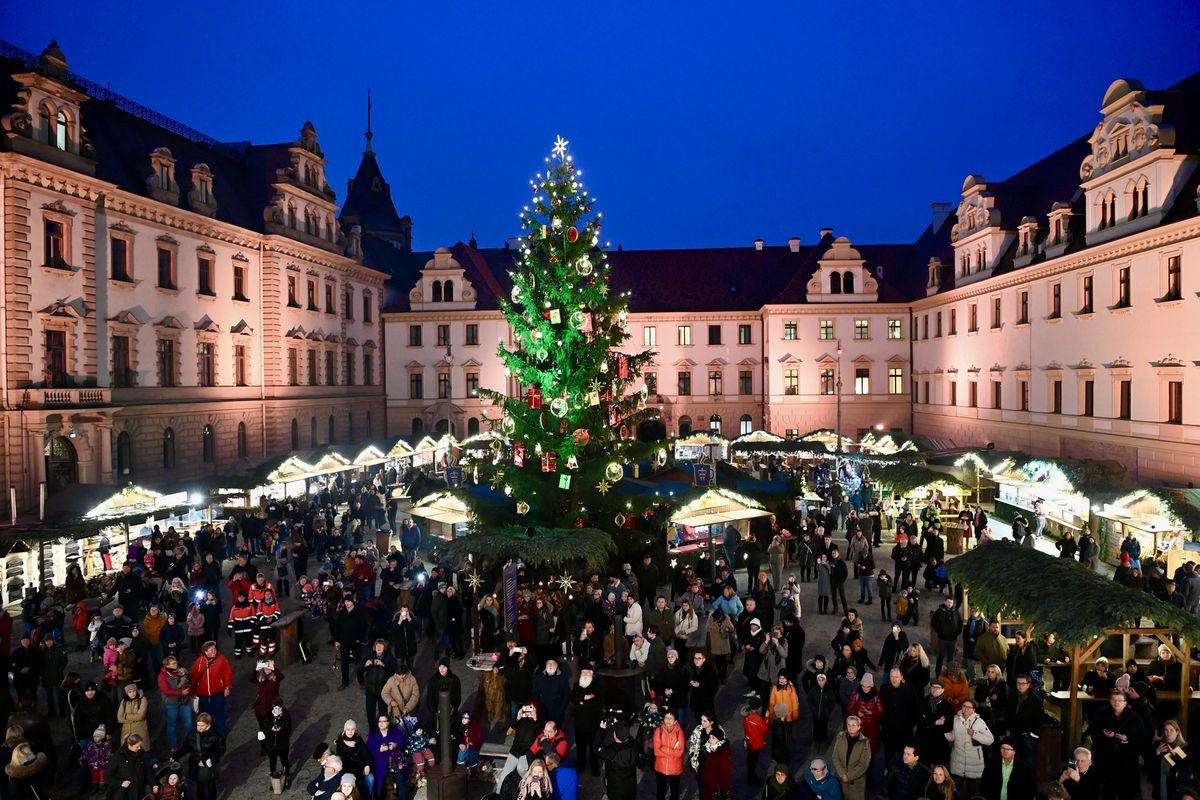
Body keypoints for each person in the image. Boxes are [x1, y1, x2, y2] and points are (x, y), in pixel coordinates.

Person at [1090, 689, 1145, 800]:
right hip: (1106, 761)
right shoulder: (1100, 714)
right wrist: (1103, 734)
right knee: (1106, 793)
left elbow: (1142, 737)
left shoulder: (1135, 718)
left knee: (1126, 794)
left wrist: (1128, 738)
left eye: (1120, 700)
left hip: (1127, 763)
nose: (1117, 703)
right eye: (1114, 700)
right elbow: (1093, 732)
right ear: (1110, 701)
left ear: (1125, 703)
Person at [945, 698, 992, 798]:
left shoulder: (979, 722)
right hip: (958, 761)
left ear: (974, 710)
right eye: (964, 706)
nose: (966, 709)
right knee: (957, 793)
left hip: (974, 764)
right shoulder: (955, 719)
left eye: (969, 707)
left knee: (971, 794)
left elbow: (990, 740)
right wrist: (945, 729)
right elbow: (952, 737)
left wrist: (974, 734)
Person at [176, 712, 225, 800]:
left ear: (208, 724)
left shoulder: (217, 736)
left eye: (202, 725)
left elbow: (221, 750)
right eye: (198, 725)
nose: (199, 728)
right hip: (196, 764)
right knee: (199, 787)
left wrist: (210, 759)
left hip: (209, 764)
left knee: (211, 786)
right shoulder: (192, 735)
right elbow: (186, 748)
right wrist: (176, 755)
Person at [190, 641, 232, 735]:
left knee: (220, 713)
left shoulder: (221, 659)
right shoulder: (198, 662)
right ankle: (209, 733)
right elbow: (194, 678)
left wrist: (227, 687)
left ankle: (221, 733)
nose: (214, 651)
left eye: (215, 648)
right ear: (205, 651)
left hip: (218, 692)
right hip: (203, 694)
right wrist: (193, 692)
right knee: (206, 715)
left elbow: (227, 673)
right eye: (211, 649)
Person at [1005, 673, 1043, 767]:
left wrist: (1030, 732)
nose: (1020, 685)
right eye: (1018, 683)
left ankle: (1028, 779)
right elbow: (1008, 714)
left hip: (1027, 736)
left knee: (1028, 760)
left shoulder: (1035, 700)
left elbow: (1039, 719)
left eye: (1023, 683)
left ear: (1028, 684)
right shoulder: (1012, 697)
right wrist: (1009, 728)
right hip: (1014, 733)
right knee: (1016, 759)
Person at [831, 716, 872, 800]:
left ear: (859, 727)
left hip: (856, 784)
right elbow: (835, 757)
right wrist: (842, 774)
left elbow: (863, 765)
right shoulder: (840, 737)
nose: (851, 727)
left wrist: (848, 776)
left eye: (853, 725)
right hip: (840, 780)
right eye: (849, 725)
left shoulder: (865, 743)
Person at [598, 721, 640, 800]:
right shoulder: (634, 747)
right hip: (630, 789)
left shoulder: (610, 752)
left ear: (615, 736)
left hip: (615, 791)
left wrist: (601, 730)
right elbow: (630, 739)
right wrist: (620, 727)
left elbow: (596, 747)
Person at [367, 713, 405, 799]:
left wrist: (396, 745)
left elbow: (402, 742)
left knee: (400, 778)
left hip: (394, 761)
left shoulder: (395, 731)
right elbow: (368, 749)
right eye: (379, 721)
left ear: (388, 722)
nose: (381, 723)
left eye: (384, 721)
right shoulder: (373, 733)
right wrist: (379, 750)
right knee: (379, 780)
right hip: (379, 762)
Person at [106, 733, 153, 800]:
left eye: (140, 745)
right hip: (125, 793)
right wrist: (120, 783)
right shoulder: (118, 756)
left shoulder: (141, 752)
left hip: (139, 791)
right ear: (130, 745)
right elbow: (107, 776)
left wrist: (153, 783)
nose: (139, 748)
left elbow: (146, 769)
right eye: (137, 746)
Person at [335, 719, 374, 798]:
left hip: (360, 767)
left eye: (352, 729)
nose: (350, 732)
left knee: (370, 778)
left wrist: (367, 764)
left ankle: (368, 797)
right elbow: (342, 760)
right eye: (348, 729)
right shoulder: (340, 741)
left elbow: (365, 752)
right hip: (348, 771)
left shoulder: (358, 738)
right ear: (345, 730)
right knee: (359, 784)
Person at [262, 699, 295, 790]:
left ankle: (287, 777)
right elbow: (264, 729)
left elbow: (288, 729)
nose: (278, 710)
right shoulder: (268, 715)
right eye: (276, 708)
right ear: (273, 708)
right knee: (272, 763)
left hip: (282, 744)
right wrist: (271, 730)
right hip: (271, 744)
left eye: (279, 708)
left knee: (284, 761)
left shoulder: (286, 714)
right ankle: (274, 780)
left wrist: (280, 728)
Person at [653, 710, 685, 800]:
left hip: (675, 769)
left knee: (675, 791)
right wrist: (672, 751)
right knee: (660, 791)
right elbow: (656, 752)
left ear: (675, 721)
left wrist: (663, 748)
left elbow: (679, 753)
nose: (668, 720)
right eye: (666, 717)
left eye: (671, 718)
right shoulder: (658, 731)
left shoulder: (680, 733)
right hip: (660, 768)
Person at [697, 728, 732, 800]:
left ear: (719, 740)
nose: (710, 739)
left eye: (713, 738)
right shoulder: (709, 749)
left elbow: (725, 775)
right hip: (707, 783)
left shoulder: (722, 756)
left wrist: (720, 788)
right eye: (710, 737)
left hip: (713, 787)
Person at [743, 697, 770, 786]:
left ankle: (750, 776)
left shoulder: (746, 715)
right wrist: (766, 718)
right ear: (758, 707)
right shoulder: (757, 719)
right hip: (756, 743)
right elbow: (765, 729)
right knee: (753, 760)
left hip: (749, 741)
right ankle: (751, 778)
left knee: (750, 760)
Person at [116, 682, 150, 748]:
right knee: (127, 754)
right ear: (126, 693)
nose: (132, 693)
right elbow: (119, 718)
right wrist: (134, 720)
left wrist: (126, 716)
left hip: (140, 732)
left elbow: (140, 716)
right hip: (126, 733)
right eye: (130, 692)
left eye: (134, 691)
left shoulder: (142, 700)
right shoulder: (124, 701)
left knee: (141, 751)